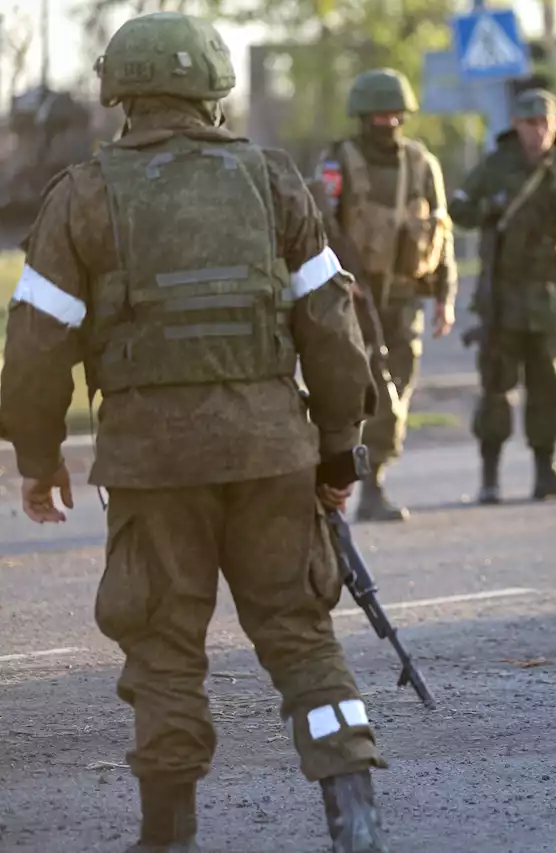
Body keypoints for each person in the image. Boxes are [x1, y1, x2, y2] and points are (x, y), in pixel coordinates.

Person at [0, 12, 393, 852]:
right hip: (271, 453)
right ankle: (354, 818)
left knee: (164, 648)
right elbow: (332, 328)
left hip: (152, 462)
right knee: (299, 632)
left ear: (120, 93)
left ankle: (167, 836)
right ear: (214, 90)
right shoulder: (272, 179)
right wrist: (336, 448)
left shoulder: (82, 195)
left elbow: (34, 347)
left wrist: (37, 458)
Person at [314, 68, 457, 522]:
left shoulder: (421, 163)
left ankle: (373, 482)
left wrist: (444, 296)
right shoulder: (338, 162)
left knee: (396, 390)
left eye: (395, 112)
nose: (388, 121)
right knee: (349, 391)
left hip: (403, 300)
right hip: (352, 300)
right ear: (362, 116)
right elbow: (316, 227)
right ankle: (335, 483)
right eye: (379, 113)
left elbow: (441, 232)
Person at [450, 88, 556, 505]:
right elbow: (459, 210)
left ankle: (544, 474)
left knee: (551, 389)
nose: (538, 132)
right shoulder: (496, 167)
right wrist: (489, 208)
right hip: (503, 297)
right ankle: (490, 477)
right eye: (530, 124)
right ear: (516, 125)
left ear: (555, 125)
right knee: (496, 387)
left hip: (549, 298)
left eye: (545, 123)